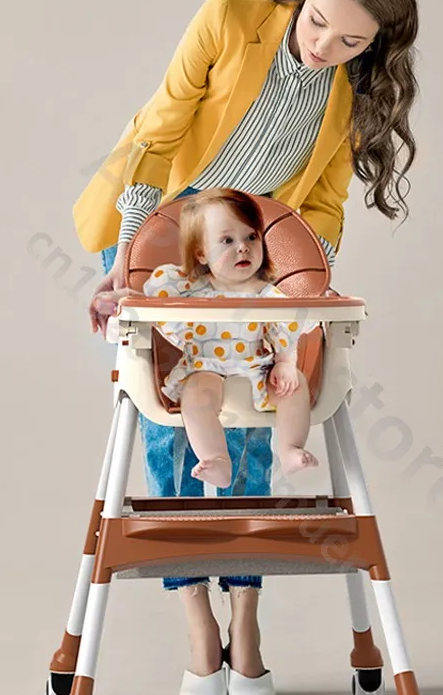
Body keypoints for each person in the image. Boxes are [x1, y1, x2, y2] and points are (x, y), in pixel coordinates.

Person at [73, 0, 420, 695]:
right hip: (159, 240)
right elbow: (160, 130)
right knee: (175, 431)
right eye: (320, 22)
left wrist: (302, 284)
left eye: (353, 40)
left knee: (261, 412)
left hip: (251, 266)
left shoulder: (349, 91)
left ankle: (246, 616)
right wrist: (129, 265)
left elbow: (321, 203)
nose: (327, 47)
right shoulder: (232, 17)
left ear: (376, 44)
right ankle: (198, 623)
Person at [97, 188, 320, 486]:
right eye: (227, 240)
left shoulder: (266, 293)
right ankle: (215, 457)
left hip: (259, 368)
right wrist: (122, 298)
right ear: (201, 252)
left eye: (251, 237)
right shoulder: (189, 288)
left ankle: (290, 447)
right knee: (197, 396)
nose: (243, 247)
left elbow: (285, 332)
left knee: (295, 387)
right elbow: (151, 306)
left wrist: (285, 363)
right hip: (205, 366)